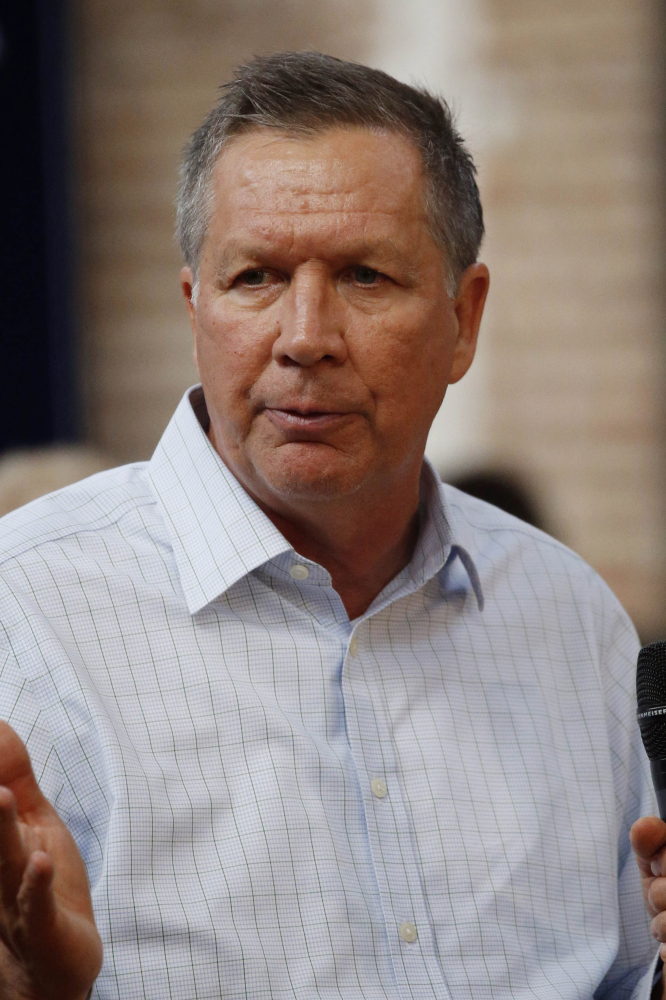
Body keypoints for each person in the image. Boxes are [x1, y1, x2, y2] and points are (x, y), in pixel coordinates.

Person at [0, 51, 664, 1000]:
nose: (305, 336)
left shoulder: (567, 616)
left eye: (364, 276)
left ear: (463, 319)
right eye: (257, 278)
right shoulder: (26, 611)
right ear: (198, 309)